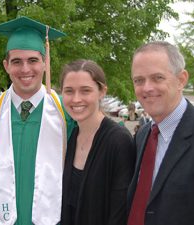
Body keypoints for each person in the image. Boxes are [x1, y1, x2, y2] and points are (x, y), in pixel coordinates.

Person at [0, 16, 75, 225]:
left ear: (45, 63)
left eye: (33, 60)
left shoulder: (66, 111)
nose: (25, 69)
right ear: (6, 65)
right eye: (17, 61)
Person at [127, 41, 194, 225]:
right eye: (139, 80)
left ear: (181, 80)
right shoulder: (142, 136)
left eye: (157, 78)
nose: (147, 88)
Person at [60, 59, 136, 225]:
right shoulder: (72, 135)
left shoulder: (118, 141)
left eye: (85, 91)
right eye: (69, 91)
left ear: (102, 91)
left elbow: (120, 213)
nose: (76, 99)